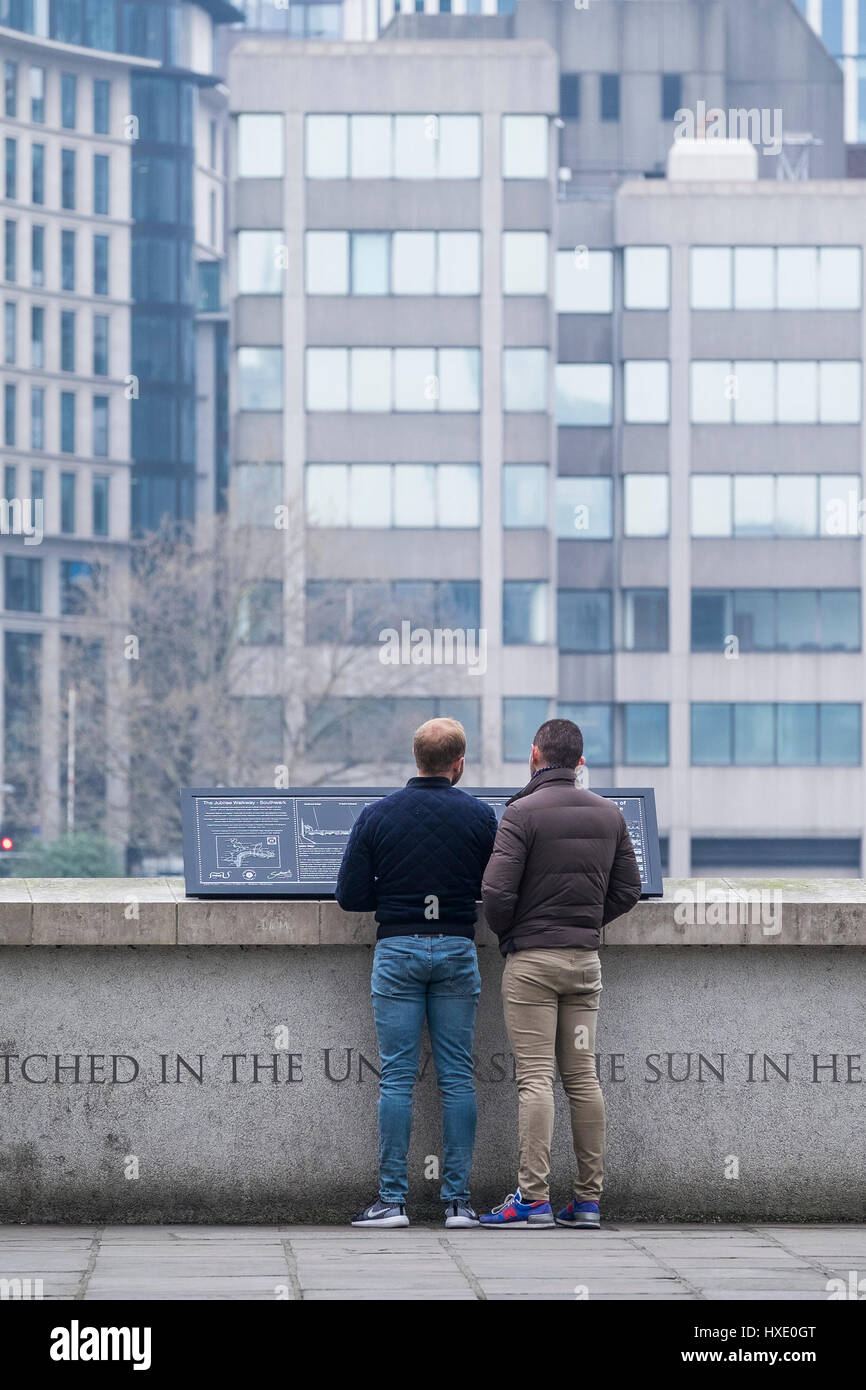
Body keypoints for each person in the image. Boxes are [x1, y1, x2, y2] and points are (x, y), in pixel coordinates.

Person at [479, 718, 642, 1230]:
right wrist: (586, 923)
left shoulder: (520, 813)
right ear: (581, 760)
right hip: (584, 963)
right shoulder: (609, 814)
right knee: (583, 1078)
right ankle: (588, 1202)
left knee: (535, 1081)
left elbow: (497, 895)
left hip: (532, 964)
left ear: (534, 755)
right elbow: (628, 891)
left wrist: (515, 935)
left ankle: (533, 1200)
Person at [336, 717, 497, 1229]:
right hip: (455, 947)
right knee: (456, 1077)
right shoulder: (479, 817)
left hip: (398, 949)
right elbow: (495, 888)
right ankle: (458, 1204)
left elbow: (350, 896)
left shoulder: (378, 815)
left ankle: (392, 1201)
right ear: (459, 762)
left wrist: (397, 897)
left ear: (415, 758)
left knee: (397, 1079)